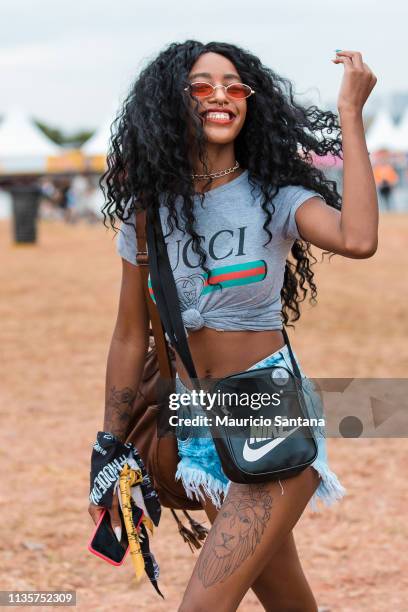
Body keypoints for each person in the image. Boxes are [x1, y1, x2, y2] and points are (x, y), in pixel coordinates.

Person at [88, 41, 378, 611]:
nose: (221, 95)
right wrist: (109, 443)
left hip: (267, 411)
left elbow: (359, 238)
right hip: (198, 423)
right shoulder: (148, 209)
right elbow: (129, 334)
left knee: (202, 606)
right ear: (172, 103)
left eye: (235, 86)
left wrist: (351, 114)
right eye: (202, 85)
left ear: (251, 103)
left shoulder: (275, 195)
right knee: (288, 599)